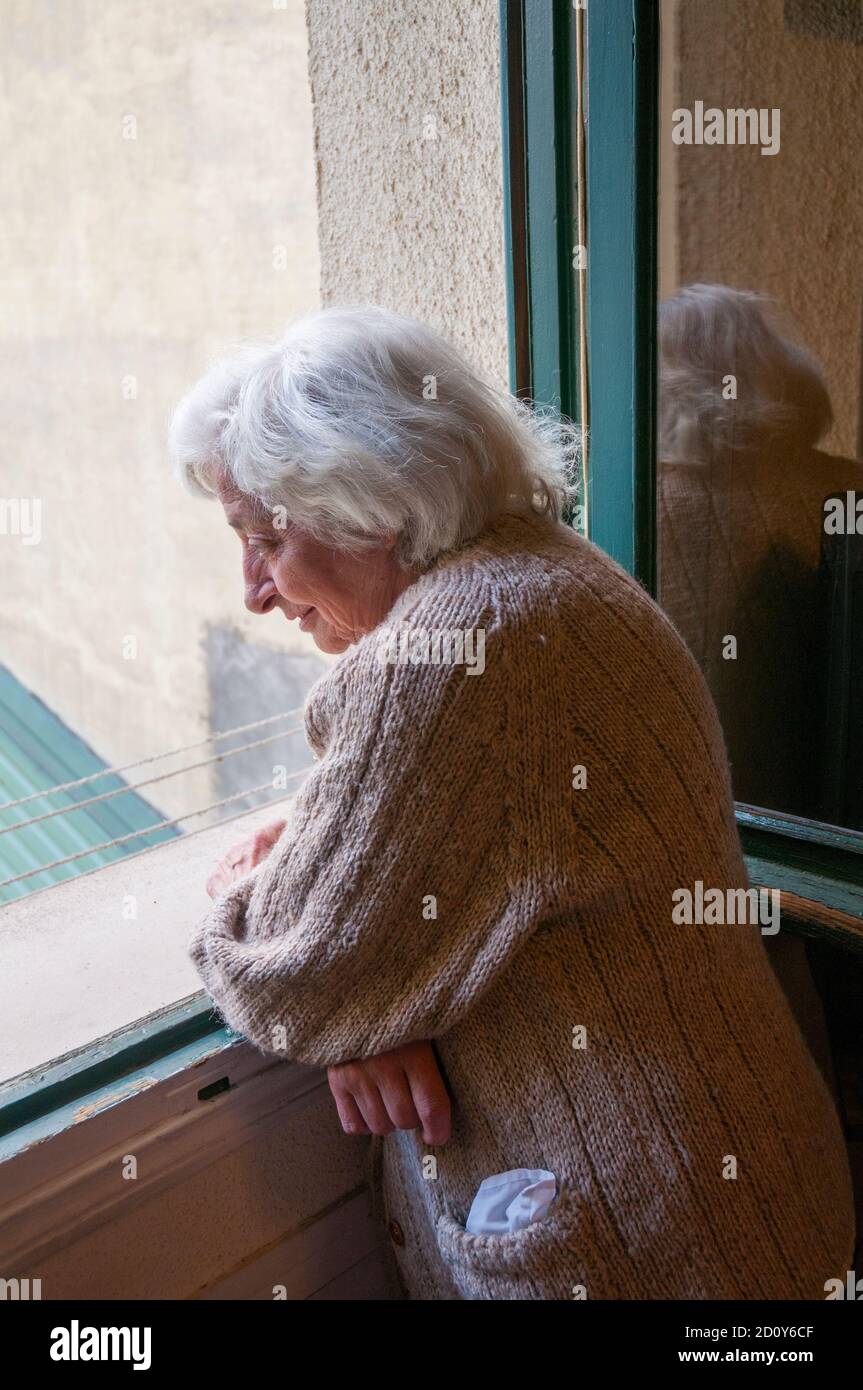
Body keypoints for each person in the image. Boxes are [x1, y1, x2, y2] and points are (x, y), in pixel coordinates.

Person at [169, 304, 854, 1299]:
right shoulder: (537, 574)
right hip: (733, 1199)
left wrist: (257, 899)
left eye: (262, 538)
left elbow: (300, 978)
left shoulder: (453, 651)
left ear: (371, 504)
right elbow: (378, 926)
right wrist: (364, 982)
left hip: (660, 1251)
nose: (252, 591)